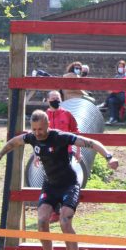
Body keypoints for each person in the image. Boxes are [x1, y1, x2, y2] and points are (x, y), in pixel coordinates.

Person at [0, 109, 118, 250]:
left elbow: (91, 143)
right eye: (34, 129)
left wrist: (109, 157)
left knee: (64, 221)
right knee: (42, 221)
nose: (37, 133)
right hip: (50, 185)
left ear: (48, 124)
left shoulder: (60, 137)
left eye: (41, 129)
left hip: (69, 184)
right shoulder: (31, 137)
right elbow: (13, 142)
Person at [44, 90, 81, 224]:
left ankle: (65, 208)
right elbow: (37, 135)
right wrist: (36, 155)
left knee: (64, 179)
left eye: (58, 98)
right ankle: (54, 210)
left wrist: (78, 151)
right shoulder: (44, 116)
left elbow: (76, 133)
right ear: (48, 100)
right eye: (53, 98)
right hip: (48, 153)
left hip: (66, 151)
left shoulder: (67, 114)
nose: (56, 100)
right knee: (51, 179)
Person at [104, 60, 126, 124]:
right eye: (119, 67)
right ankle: (113, 118)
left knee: (113, 93)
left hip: (125, 96)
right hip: (117, 96)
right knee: (111, 100)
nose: (120, 68)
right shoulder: (116, 76)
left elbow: (122, 88)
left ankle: (105, 104)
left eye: (122, 67)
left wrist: (112, 91)